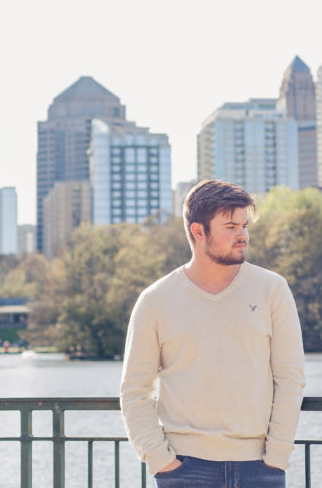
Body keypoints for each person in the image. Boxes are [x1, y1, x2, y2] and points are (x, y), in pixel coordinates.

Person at [120, 180, 305, 487]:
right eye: (231, 226)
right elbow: (134, 390)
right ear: (198, 231)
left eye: (244, 226)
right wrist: (160, 460)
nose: (242, 235)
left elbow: (290, 378)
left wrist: (277, 456)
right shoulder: (155, 300)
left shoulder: (273, 289)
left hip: (260, 469)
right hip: (185, 471)